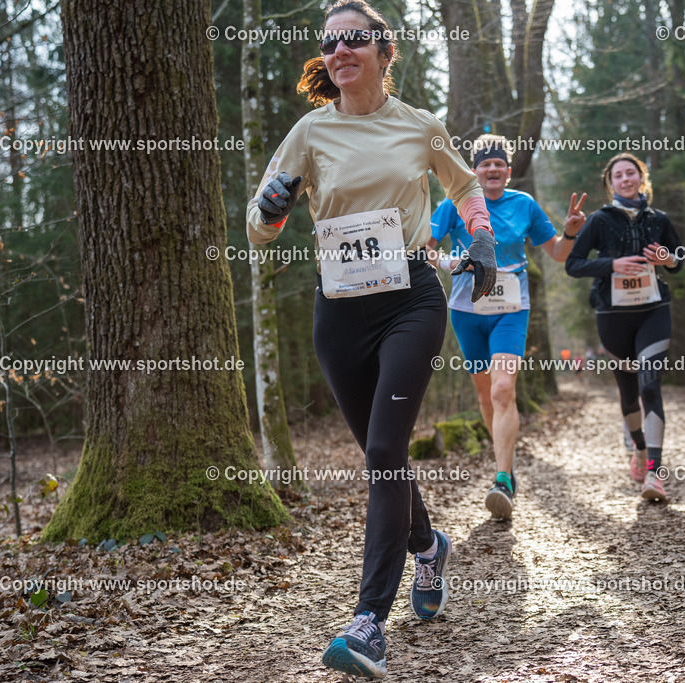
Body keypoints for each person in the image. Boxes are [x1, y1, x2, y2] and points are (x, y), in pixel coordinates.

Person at [245, 2, 497, 677]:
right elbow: (260, 222)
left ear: (384, 50)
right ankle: (429, 542)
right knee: (381, 453)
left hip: (411, 299)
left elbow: (465, 182)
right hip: (339, 311)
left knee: (385, 448)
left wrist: (479, 231)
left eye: (355, 38)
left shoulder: (419, 125)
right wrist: (269, 211)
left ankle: (367, 623)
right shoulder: (309, 132)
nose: (340, 50)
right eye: (330, 43)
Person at [426, 134, 586, 520]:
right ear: (474, 171)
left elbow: (559, 255)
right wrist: (450, 263)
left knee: (503, 388)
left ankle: (501, 479)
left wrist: (571, 231)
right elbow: (426, 250)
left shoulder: (524, 205)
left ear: (509, 172)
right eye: (485, 164)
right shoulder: (454, 204)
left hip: (511, 310)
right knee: (486, 397)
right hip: (466, 311)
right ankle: (507, 466)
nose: (492, 169)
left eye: (499, 164)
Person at [564, 153, 683, 502]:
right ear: (610, 183)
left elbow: (678, 261)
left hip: (653, 311)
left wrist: (668, 258)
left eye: (631, 173)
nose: (626, 179)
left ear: (641, 179)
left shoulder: (658, 219)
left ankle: (654, 474)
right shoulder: (600, 220)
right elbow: (573, 264)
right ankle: (639, 449)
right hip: (612, 315)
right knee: (629, 393)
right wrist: (613, 264)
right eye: (618, 175)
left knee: (650, 386)